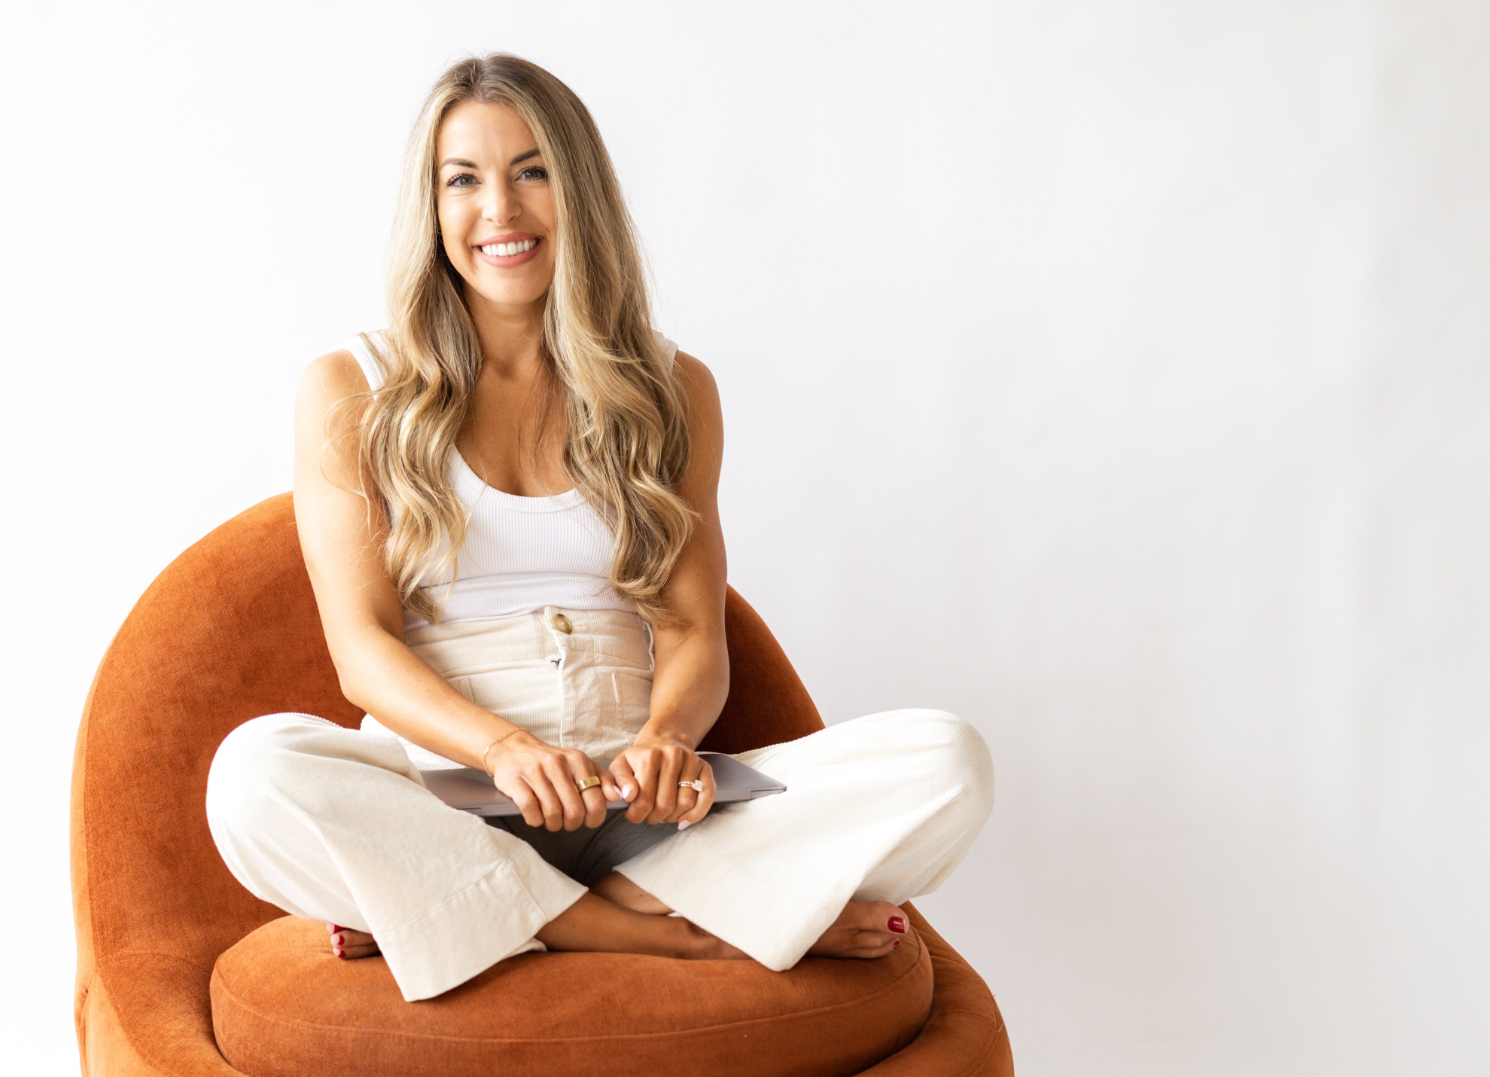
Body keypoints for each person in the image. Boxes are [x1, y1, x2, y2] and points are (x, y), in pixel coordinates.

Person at [205, 54, 992, 1002]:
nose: (500, 209)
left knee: (948, 762)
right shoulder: (353, 389)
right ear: (432, 206)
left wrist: (666, 738)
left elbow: (692, 627)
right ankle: (664, 931)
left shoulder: (673, 389)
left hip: (638, 808)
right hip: (446, 797)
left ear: (579, 190)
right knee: (254, 778)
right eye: (463, 180)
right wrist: (503, 751)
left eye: (531, 170)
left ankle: (482, 914)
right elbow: (362, 649)